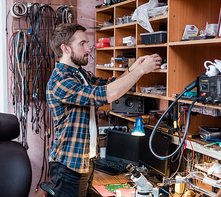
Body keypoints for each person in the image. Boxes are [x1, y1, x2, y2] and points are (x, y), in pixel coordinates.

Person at [46, 23, 161, 197]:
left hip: (86, 160)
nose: (88, 49)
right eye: (82, 44)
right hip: (69, 163)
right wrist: (141, 71)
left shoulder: (80, 74)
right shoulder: (60, 81)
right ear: (65, 48)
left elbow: (109, 84)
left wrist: (133, 68)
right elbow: (105, 94)